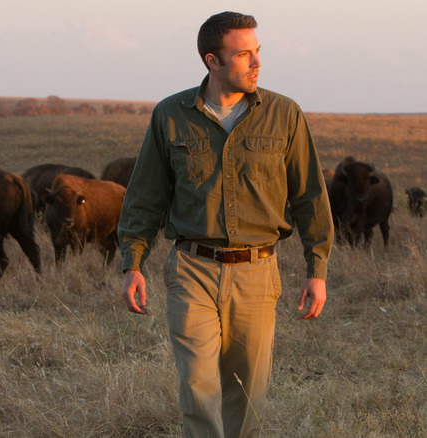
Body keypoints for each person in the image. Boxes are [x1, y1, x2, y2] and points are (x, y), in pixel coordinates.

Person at [118, 12, 333, 438]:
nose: (256, 63)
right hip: (191, 269)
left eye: (257, 52)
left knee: (247, 390)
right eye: (243, 54)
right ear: (212, 61)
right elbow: (144, 196)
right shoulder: (170, 115)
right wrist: (132, 263)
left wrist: (317, 269)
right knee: (197, 386)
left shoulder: (284, 114)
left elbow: (310, 196)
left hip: (257, 270)